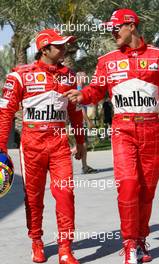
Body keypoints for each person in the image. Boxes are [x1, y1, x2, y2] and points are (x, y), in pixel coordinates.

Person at [64, 8, 159, 264]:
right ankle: (128, 245)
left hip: (150, 129)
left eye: (116, 27)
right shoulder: (107, 61)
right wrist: (83, 95)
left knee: (147, 191)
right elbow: (97, 89)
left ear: (131, 26)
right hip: (122, 129)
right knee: (127, 186)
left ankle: (140, 239)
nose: (112, 32)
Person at [0, 28, 84, 264]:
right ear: (45, 49)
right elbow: (5, 113)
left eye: (65, 44)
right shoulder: (20, 75)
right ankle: (36, 241)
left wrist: (80, 141)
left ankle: (65, 248)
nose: (65, 48)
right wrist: (1, 149)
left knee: (66, 193)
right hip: (32, 144)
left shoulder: (69, 76)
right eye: (60, 45)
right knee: (34, 197)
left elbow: (75, 112)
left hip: (59, 144)